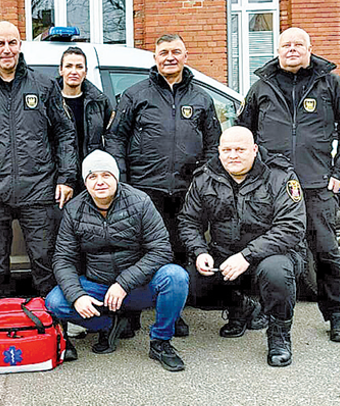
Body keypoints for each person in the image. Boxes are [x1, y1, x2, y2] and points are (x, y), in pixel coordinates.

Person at [235, 27, 340, 342]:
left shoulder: (330, 84)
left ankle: (336, 316)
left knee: (327, 254)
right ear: (277, 51)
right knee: (267, 252)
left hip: (315, 185)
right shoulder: (261, 87)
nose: (291, 49)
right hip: (270, 188)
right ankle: (267, 309)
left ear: (309, 48)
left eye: (298, 44)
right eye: (286, 45)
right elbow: (242, 130)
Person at [105, 33, 221, 337]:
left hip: (185, 193)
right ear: (155, 58)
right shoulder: (135, 94)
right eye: (164, 52)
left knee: (179, 253)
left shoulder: (201, 99)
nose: (170, 57)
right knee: (136, 253)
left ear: (186, 55)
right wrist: (122, 181)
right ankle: (129, 314)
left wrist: (202, 179)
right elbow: (116, 138)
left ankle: (172, 312)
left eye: (176, 52)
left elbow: (213, 144)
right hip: (144, 192)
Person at [0, 21, 78, 299]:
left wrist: (66, 178)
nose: (6, 49)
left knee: (45, 263)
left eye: (12, 43)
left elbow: (64, 134)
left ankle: (52, 330)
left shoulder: (44, 86)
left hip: (39, 190)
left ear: (20, 45)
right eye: (0, 43)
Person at [46, 150, 189, 372]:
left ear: (116, 177)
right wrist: (78, 296)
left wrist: (123, 283)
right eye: (92, 177)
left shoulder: (140, 202)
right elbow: (63, 259)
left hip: (137, 286)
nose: (100, 182)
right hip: (98, 286)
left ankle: (160, 341)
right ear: (85, 182)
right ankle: (108, 325)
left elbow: (161, 250)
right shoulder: (74, 209)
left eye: (106, 175)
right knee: (55, 302)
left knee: (176, 277)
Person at [178, 126, 307, 366]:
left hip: (274, 256)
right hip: (225, 254)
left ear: (255, 150)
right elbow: (188, 221)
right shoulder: (205, 178)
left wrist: (247, 255)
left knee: (276, 272)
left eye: (240, 149)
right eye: (227, 150)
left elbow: (291, 227)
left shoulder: (280, 176)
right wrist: (199, 251)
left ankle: (278, 336)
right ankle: (241, 308)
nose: (233, 155)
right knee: (191, 282)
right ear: (218, 151)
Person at [58, 46, 112, 160]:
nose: (74, 71)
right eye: (68, 66)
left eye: (79, 67)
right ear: (61, 70)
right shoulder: (49, 102)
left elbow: (112, 139)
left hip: (91, 173)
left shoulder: (100, 102)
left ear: (85, 71)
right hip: (60, 174)